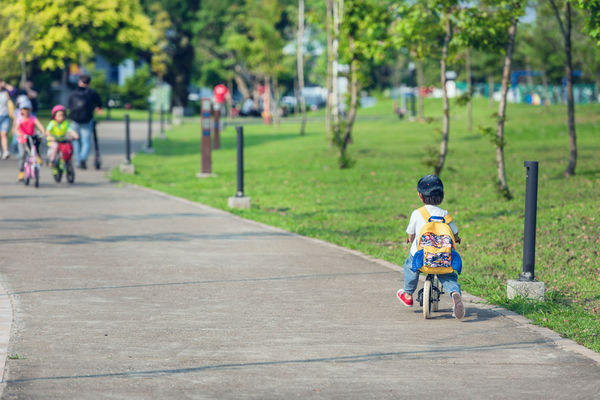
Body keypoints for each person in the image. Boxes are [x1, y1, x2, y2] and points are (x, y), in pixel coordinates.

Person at [396, 174, 465, 319]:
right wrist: (457, 238)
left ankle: (408, 294)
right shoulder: (445, 214)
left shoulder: (417, 213)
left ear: (420, 196)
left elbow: (411, 233)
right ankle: (454, 294)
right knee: (447, 276)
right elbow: (455, 231)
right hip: (442, 256)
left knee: (410, 267)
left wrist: (410, 239)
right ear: (442, 195)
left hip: (421, 256)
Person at [68, 74, 102, 169]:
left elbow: (69, 106)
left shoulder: (73, 93)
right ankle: (83, 158)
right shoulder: (92, 93)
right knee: (86, 141)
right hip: (87, 119)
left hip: (74, 119)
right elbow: (99, 106)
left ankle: (78, 161)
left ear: (79, 82)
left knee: (76, 140)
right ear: (89, 83)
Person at [16, 99, 45, 181]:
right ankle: (21, 172)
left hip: (31, 137)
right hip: (22, 140)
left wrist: (43, 131)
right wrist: (19, 133)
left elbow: (39, 125)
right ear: (21, 110)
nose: (26, 111)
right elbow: (16, 129)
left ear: (30, 109)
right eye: (24, 109)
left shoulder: (33, 118)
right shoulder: (20, 119)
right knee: (22, 155)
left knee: (37, 142)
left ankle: (38, 156)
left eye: (27, 109)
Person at [0, 80, 16, 159]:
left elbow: (13, 91)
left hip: (5, 116)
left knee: (4, 134)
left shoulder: (5, 93)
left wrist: (5, 84)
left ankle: (5, 151)